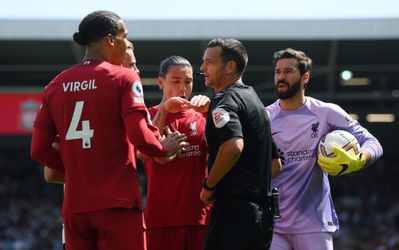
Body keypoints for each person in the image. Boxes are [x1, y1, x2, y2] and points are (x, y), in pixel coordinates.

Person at [31, 10, 187, 250]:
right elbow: (140, 138)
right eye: (124, 36)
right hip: (117, 204)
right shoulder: (123, 78)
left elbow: (39, 150)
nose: (126, 43)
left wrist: (79, 169)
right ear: (110, 40)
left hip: (75, 210)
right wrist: (163, 148)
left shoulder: (55, 84)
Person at [266, 48, 383, 250]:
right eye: (278, 71)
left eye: (289, 71)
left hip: (315, 224)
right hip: (274, 224)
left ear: (305, 77)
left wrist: (360, 159)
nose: (281, 77)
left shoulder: (325, 112)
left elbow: (373, 142)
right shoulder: (264, 117)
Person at [43, 42, 142, 250]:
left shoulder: (72, 99)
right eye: (132, 64)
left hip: (76, 217)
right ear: (116, 64)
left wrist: (82, 176)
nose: (137, 70)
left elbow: (51, 172)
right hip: (115, 211)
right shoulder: (124, 101)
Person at [199, 38, 282, 250]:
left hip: (234, 214)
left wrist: (209, 186)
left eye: (209, 62)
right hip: (261, 216)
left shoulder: (224, 100)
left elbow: (233, 146)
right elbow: (276, 164)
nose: (202, 68)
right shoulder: (255, 101)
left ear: (230, 67)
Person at [139, 55, 211, 250]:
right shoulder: (148, 115)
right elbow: (143, 153)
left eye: (188, 82)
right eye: (176, 81)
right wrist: (164, 109)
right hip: (162, 219)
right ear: (161, 82)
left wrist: (212, 109)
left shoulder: (204, 115)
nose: (183, 88)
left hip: (201, 218)